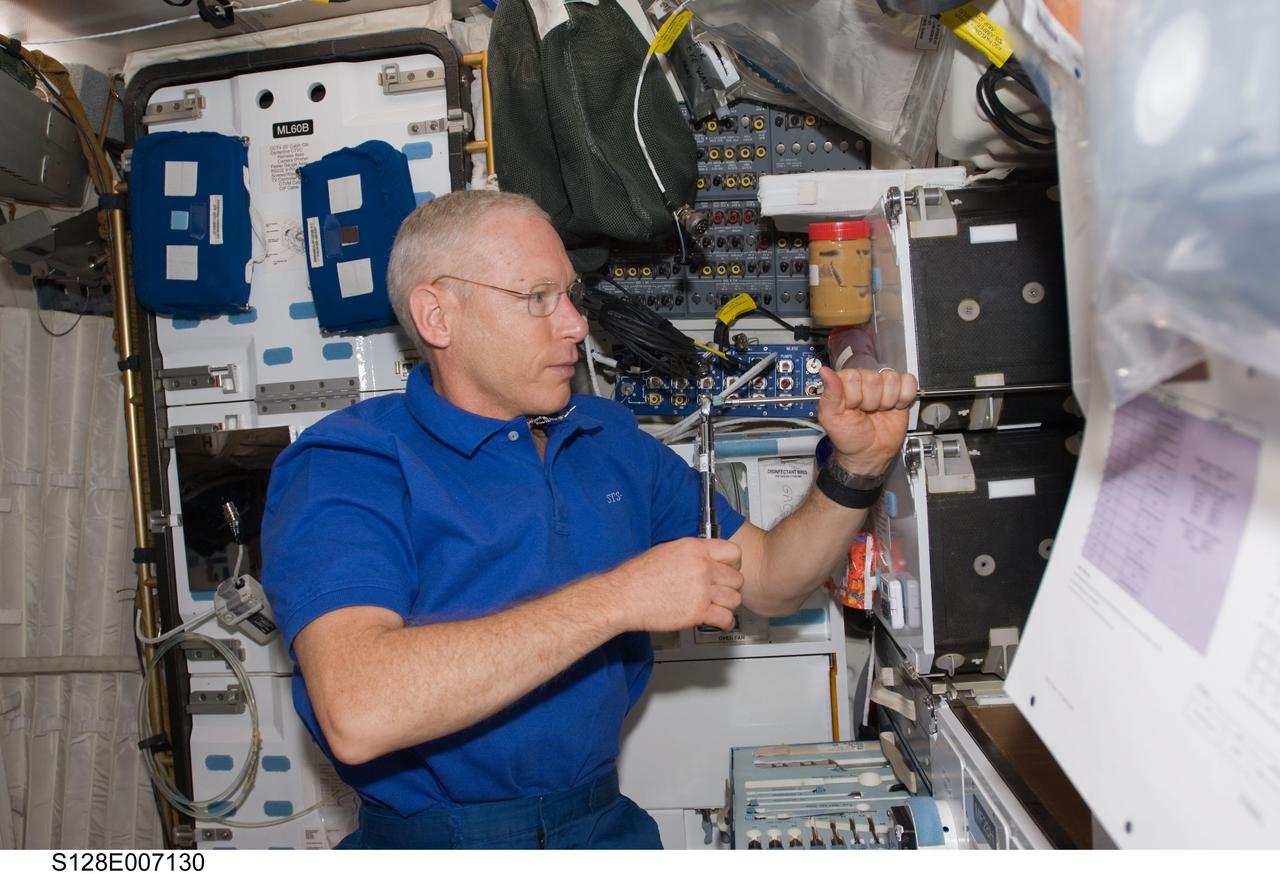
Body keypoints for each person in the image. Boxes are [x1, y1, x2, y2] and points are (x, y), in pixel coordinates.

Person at [261, 189, 917, 849]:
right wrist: (620, 597)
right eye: (537, 297)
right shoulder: (350, 463)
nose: (575, 324)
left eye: (570, 296)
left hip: (603, 827)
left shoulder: (609, 440)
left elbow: (772, 580)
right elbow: (360, 708)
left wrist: (856, 470)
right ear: (438, 315)